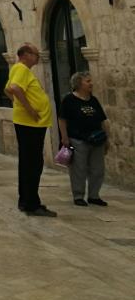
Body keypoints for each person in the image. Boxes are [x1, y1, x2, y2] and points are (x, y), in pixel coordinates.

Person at [4, 43, 56, 217]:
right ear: (25, 55)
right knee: (33, 163)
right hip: (30, 124)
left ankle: (26, 201)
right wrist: (29, 109)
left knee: (28, 163)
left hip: (29, 123)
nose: (38, 57)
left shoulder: (18, 69)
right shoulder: (21, 69)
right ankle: (32, 204)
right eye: (35, 54)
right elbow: (14, 88)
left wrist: (19, 104)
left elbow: (7, 89)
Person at [59, 71, 109, 208]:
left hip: (97, 139)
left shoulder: (93, 100)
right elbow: (62, 119)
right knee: (78, 169)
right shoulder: (69, 100)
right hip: (78, 139)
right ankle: (78, 196)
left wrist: (107, 138)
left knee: (97, 169)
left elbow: (102, 120)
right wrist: (64, 137)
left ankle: (94, 196)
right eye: (88, 81)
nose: (91, 83)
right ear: (79, 84)